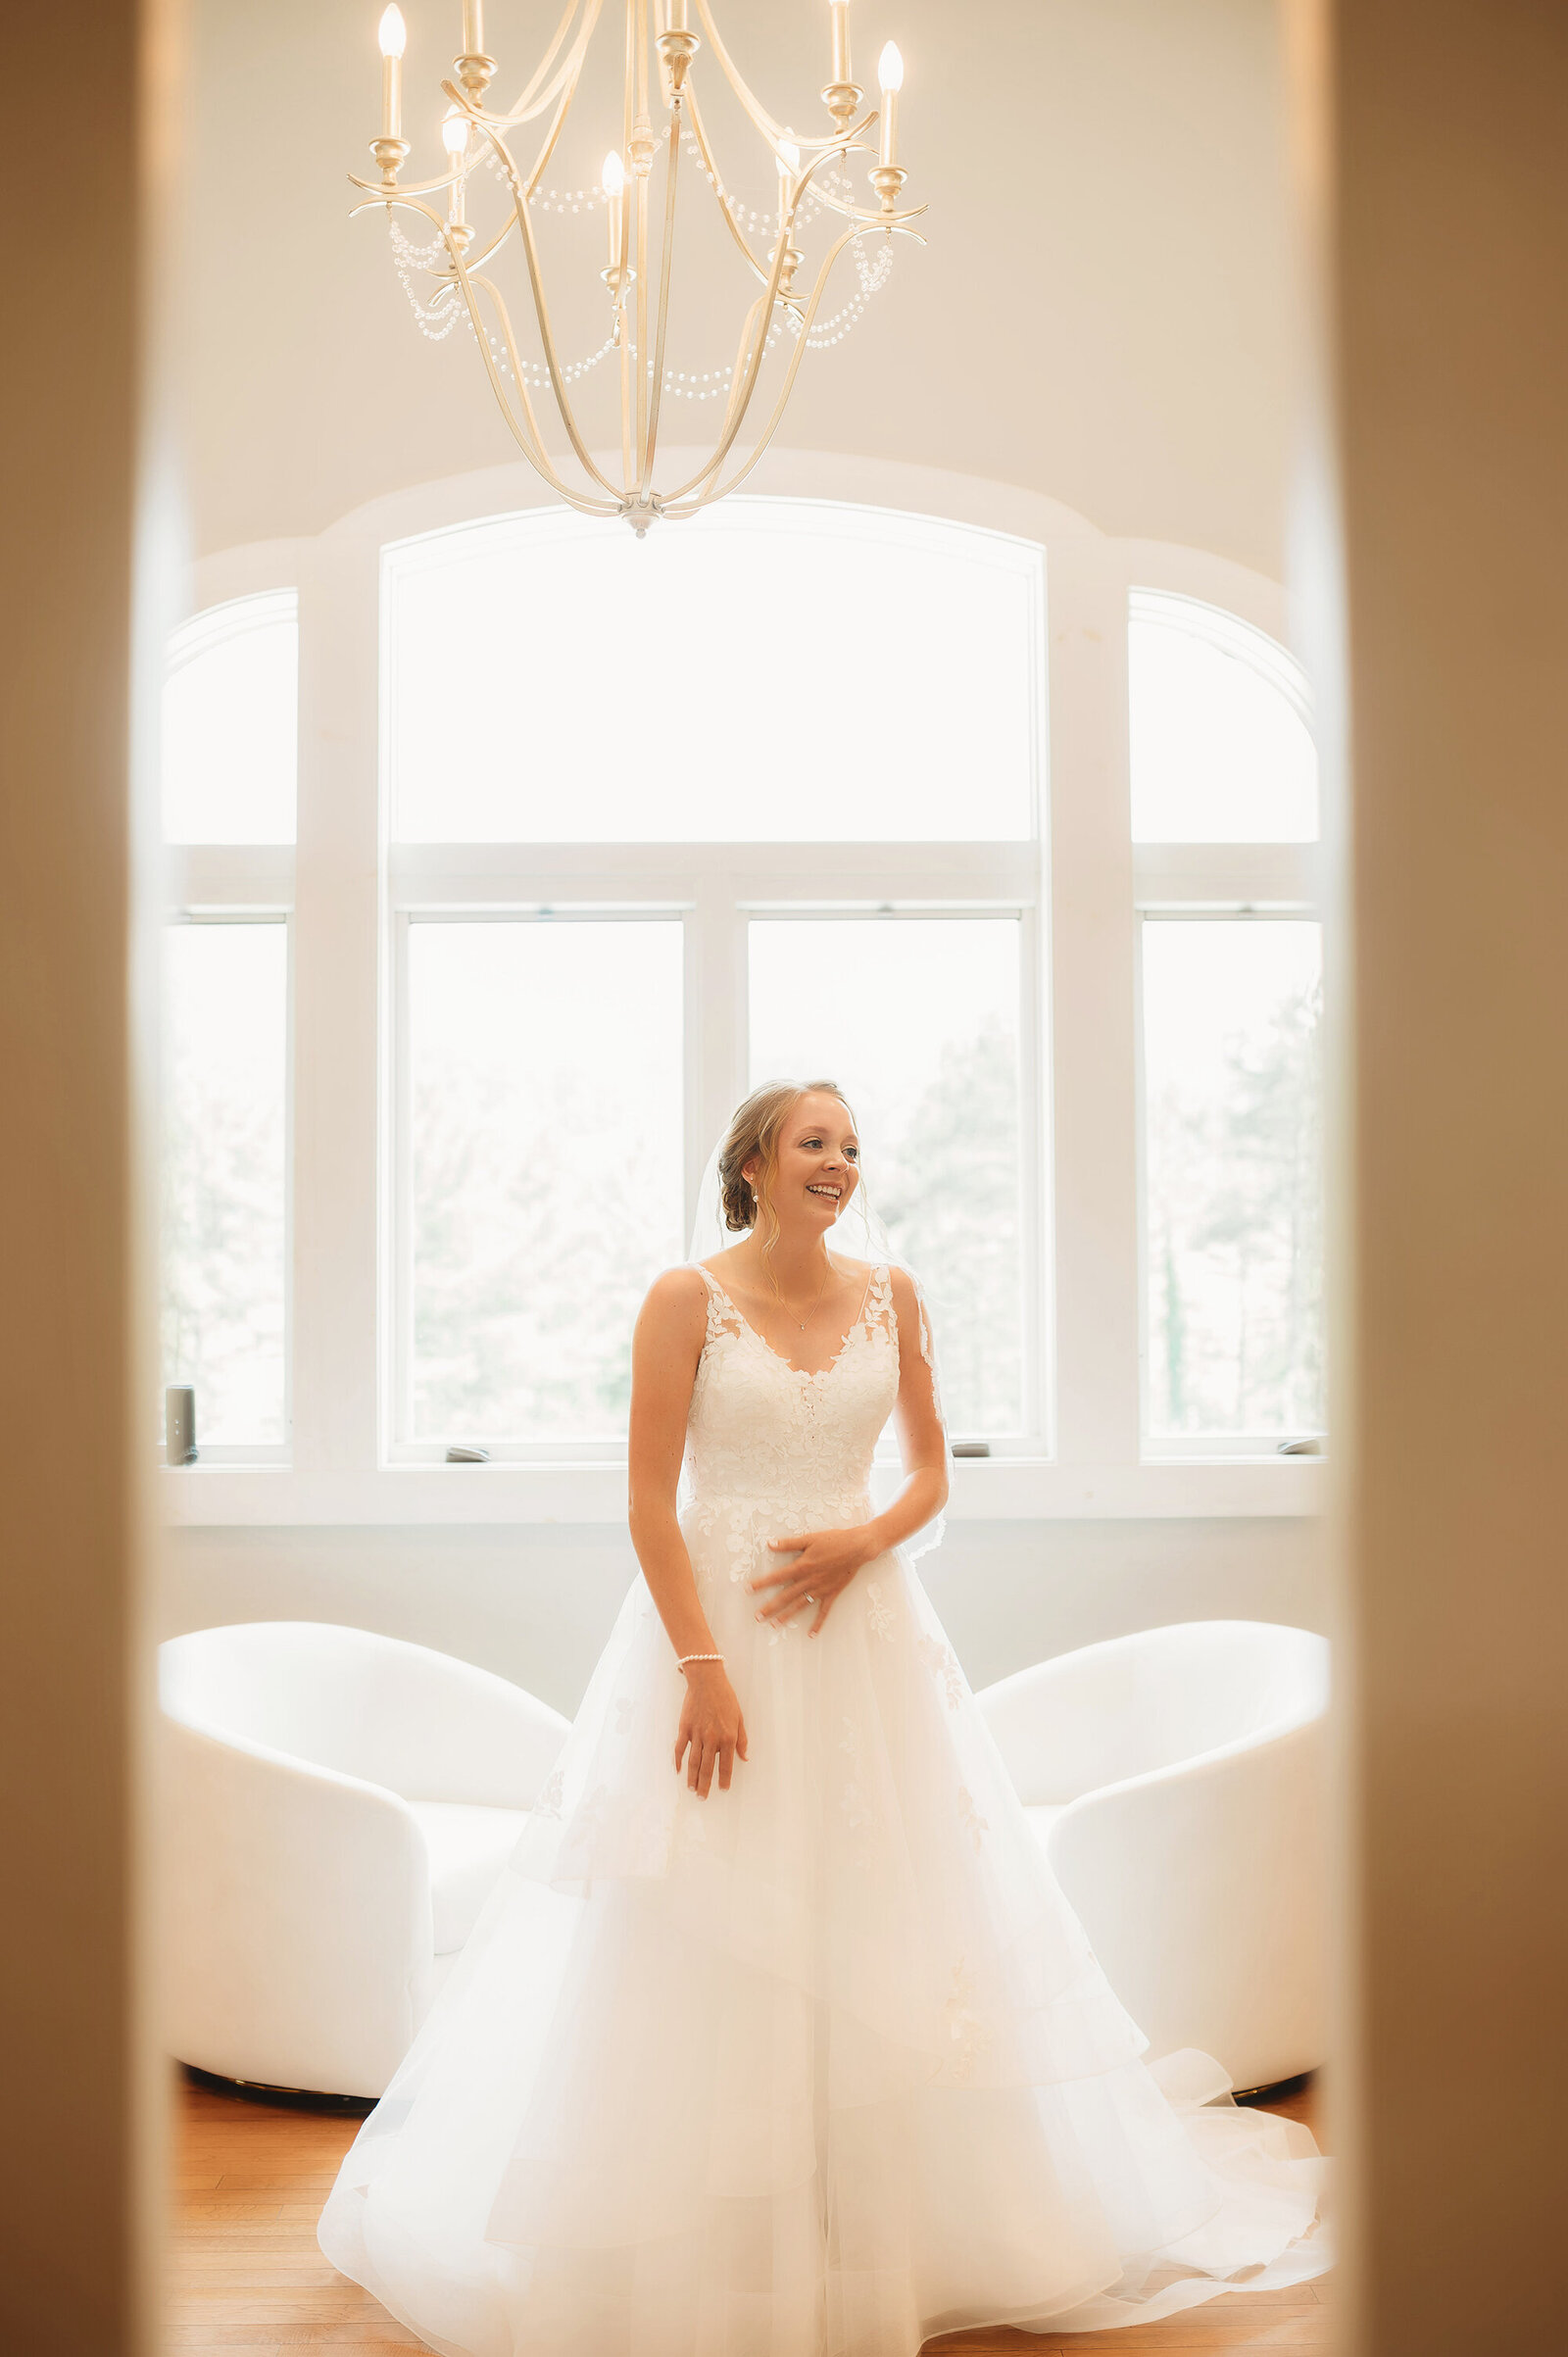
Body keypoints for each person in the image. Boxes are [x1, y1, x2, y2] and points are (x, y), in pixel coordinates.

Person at [318, 1080, 1326, 2355]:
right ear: (750, 1163)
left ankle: (883, 2215)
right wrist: (700, 1663)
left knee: (883, 1905)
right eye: (814, 1142)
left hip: (864, 1639)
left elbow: (932, 1469)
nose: (840, 1161)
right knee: (702, 1915)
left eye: (852, 1145)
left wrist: (863, 1537)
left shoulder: (893, 1297)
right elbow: (646, 1501)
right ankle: (725, 2225)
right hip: (716, 1640)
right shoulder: (685, 1297)